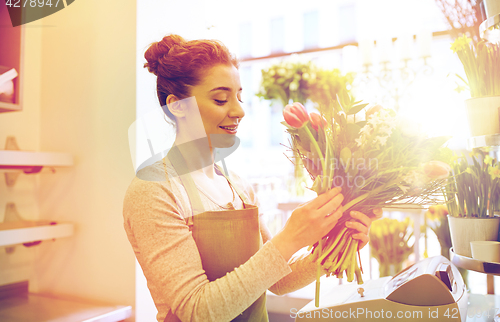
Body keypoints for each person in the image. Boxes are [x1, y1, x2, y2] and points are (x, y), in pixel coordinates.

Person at [123, 34, 382, 322]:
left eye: (239, 97)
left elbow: (278, 281)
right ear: (177, 106)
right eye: (221, 99)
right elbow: (197, 310)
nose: (239, 111)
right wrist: (290, 237)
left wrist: (335, 247)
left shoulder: (238, 186)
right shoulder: (154, 190)